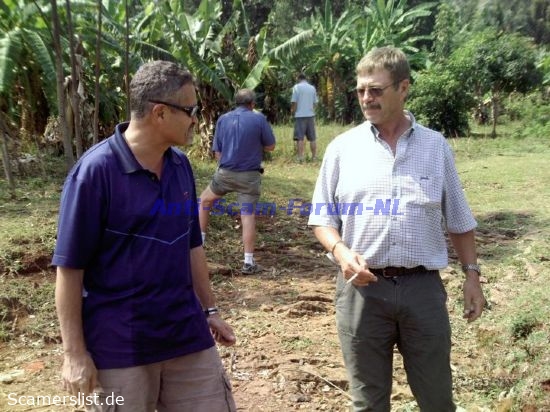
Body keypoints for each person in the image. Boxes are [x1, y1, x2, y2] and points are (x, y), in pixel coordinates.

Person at [308, 46, 486, 411]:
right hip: (361, 292)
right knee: (368, 402)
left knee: (437, 399)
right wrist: (340, 252)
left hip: (422, 290)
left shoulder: (435, 146)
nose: (366, 98)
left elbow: (458, 218)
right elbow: (322, 218)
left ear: (403, 88)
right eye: (361, 90)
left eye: (376, 90)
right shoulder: (342, 148)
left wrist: (472, 275)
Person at [53, 60, 237, 412]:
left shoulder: (180, 166)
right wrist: (74, 353)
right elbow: (70, 268)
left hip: (186, 336)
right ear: (160, 113)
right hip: (120, 347)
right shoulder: (95, 173)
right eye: (191, 111)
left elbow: (191, 243)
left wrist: (210, 310)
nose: (196, 120)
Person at [199, 89, 276, 275]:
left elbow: (217, 152)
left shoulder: (223, 119)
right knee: (247, 215)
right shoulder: (259, 119)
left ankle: (198, 246)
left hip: (225, 174)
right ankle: (248, 262)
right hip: (249, 176)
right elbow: (271, 146)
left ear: (236, 102)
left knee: (204, 201)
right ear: (252, 104)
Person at [291, 73, 318, 161]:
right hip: (310, 115)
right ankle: (314, 157)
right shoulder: (312, 88)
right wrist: (311, 110)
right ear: (305, 79)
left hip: (300, 116)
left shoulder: (296, 87)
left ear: (298, 79)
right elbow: (315, 103)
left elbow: (294, 102)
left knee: (300, 138)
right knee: (312, 138)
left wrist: (293, 112)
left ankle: (300, 157)